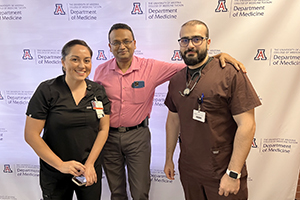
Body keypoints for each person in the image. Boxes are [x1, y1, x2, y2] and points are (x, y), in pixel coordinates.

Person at [93, 23, 246, 200]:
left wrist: (217, 58)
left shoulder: (150, 68)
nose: (122, 46)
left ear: (135, 43)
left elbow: (191, 66)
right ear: (109, 46)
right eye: (116, 42)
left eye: (126, 41)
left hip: (137, 137)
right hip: (108, 137)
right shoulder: (100, 71)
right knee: (116, 190)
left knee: (140, 190)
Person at [164, 20, 261, 200]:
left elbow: (247, 125)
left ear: (208, 43)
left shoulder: (230, 73)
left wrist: (233, 173)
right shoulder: (176, 80)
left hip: (221, 171)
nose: (190, 45)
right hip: (189, 170)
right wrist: (168, 158)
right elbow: (173, 120)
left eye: (196, 39)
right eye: (184, 40)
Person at [24, 39, 110, 200]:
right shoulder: (47, 90)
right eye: (75, 59)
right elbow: (31, 135)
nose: (81, 65)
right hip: (55, 171)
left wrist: (90, 163)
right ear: (63, 62)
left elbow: (103, 129)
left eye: (87, 60)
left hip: (88, 170)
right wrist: (61, 165)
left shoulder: (97, 91)